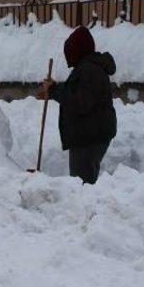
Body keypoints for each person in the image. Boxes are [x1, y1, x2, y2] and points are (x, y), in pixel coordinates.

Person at [37, 26, 116, 184]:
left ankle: (86, 209)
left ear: (77, 51)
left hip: (89, 136)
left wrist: (53, 91)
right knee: (82, 185)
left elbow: (80, 102)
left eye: (70, 52)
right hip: (89, 134)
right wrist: (55, 89)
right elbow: (76, 92)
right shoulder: (87, 68)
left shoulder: (89, 70)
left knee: (82, 186)